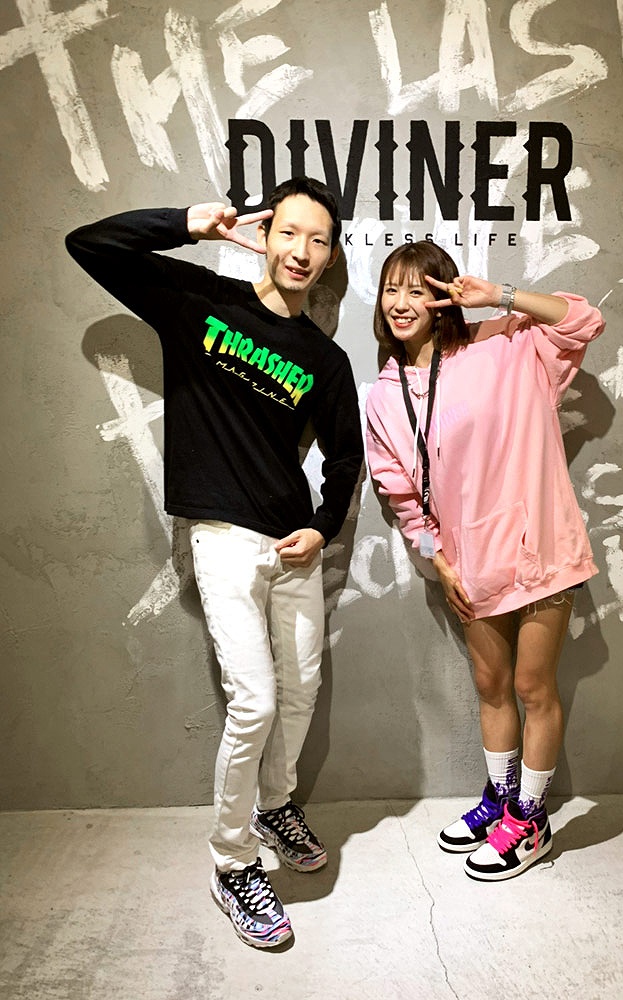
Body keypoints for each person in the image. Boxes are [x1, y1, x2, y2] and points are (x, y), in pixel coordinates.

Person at [66, 178, 364, 946]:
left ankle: (274, 806)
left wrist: (323, 528)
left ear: (331, 256)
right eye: (289, 232)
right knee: (255, 703)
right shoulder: (199, 305)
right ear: (265, 236)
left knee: (300, 693)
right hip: (223, 538)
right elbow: (89, 246)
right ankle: (233, 865)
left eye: (319, 240)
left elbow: (345, 458)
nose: (302, 251)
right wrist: (188, 224)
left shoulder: (325, 360)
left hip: (292, 545)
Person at [365, 241, 604, 882]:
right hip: (468, 562)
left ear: (443, 296)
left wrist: (497, 296)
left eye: (418, 290)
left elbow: (583, 320)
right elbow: (400, 492)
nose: (401, 303)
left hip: (538, 547)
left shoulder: (506, 344)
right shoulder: (384, 395)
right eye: (391, 290)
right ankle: (501, 799)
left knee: (533, 687)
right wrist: (437, 559)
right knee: (491, 686)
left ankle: (531, 818)